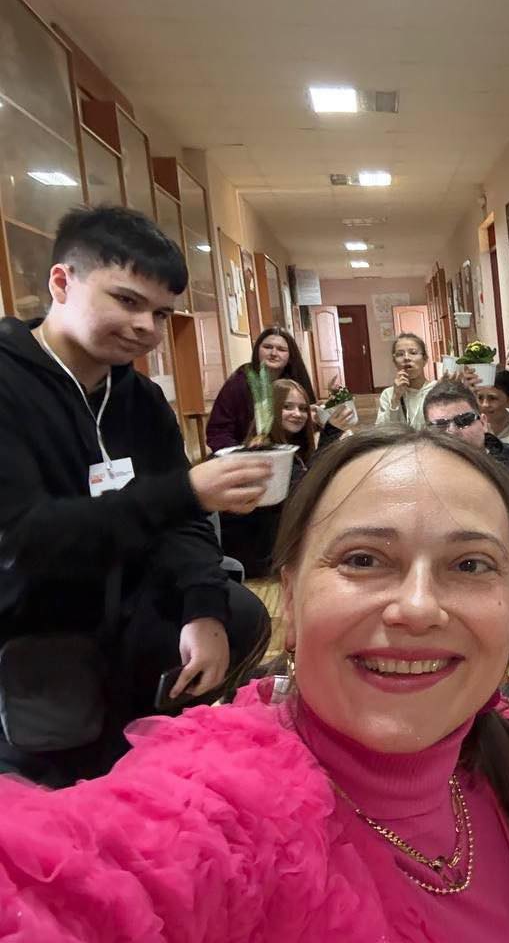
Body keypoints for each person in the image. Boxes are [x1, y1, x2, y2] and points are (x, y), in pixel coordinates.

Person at [0, 427, 509, 941]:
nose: (418, 608)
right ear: (288, 598)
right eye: (363, 559)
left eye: (470, 565)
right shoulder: (222, 808)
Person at [0, 205, 271, 786]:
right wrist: (185, 491)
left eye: (161, 312)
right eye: (126, 301)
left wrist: (203, 608)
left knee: (237, 612)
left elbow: (184, 524)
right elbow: (23, 541)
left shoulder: (140, 399)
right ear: (61, 282)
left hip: (135, 607)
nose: (146, 327)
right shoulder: (9, 383)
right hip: (34, 621)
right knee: (65, 791)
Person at [218, 378, 347, 578]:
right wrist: (330, 434)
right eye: (287, 407)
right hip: (258, 559)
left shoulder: (292, 446)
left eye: (303, 408)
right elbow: (304, 494)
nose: (297, 414)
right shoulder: (262, 449)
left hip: (273, 550)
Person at [425, 382, 509, 568]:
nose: (452, 431)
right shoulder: (420, 481)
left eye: (464, 420)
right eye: (440, 425)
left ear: (483, 422)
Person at [207, 326, 315, 452]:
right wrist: (241, 454)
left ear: (290, 355)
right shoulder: (239, 382)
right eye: (267, 347)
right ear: (257, 350)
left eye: (281, 349)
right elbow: (218, 431)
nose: (273, 353)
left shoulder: (296, 382)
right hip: (243, 452)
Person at [377, 332, 433, 429]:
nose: (406, 358)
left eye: (413, 353)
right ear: (395, 362)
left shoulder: (435, 389)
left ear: (425, 359)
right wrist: (395, 398)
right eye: (400, 354)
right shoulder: (388, 394)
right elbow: (382, 431)